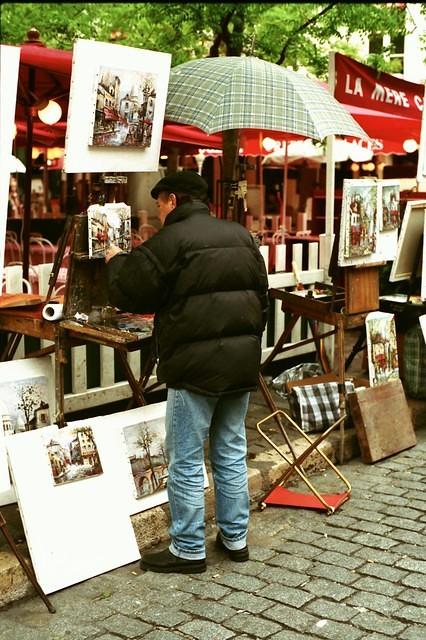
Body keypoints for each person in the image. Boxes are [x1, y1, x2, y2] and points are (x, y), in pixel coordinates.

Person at [105, 171, 269, 574]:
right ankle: (235, 539)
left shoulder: (172, 240)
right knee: (230, 452)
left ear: (173, 201)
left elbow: (131, 289)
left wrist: (114, 260)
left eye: (160, 203)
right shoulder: (242, 236)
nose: (159, 212)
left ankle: (189, 548)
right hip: (238, 363)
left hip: (194, 369)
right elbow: (262, 300)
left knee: (186, 459)